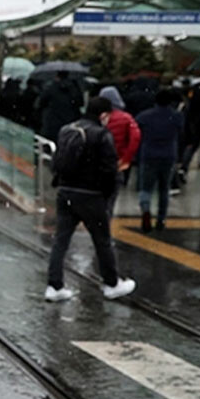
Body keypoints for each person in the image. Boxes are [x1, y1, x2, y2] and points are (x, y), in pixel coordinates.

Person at [45, 96, 136, 302]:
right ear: (103, 115)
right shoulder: (102, 135)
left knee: (61, 240)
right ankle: (112, 283)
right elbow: (109, 169)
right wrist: (106, 193)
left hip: (65, 192)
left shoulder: (67, 129)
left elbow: (56, 162)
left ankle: (54, 285)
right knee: (102, 240)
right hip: (91, 195)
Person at [134, 89, 185, 233]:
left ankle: (145, 210)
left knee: (146, 188)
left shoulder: (144, 116)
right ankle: (161, 219)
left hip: (148, 154)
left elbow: (136, 133)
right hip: (168, 155)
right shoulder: (176, 117)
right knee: (164, 189)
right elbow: (182, 134)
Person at [97, 86, 141, 214]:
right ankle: (106, 227)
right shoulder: (126, 118)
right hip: (116, 162)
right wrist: (126, 158)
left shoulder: (98, 118)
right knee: (111, 200)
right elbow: (135, 138)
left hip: (98, 164)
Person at [37, 71, 83, 142]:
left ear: (57, 76)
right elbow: (80, 103)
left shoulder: (51, 87)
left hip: (52, 122)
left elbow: (41, 103)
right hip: (70, 122)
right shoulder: (74, 88)